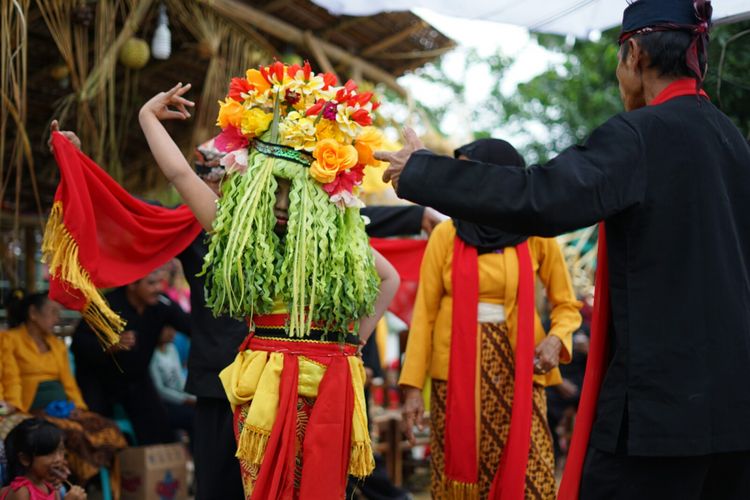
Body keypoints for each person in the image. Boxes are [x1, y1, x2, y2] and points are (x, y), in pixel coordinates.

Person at [377, 1, 750, 498]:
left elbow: (539, 196)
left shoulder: (641, 136)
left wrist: (424, 170)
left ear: (634, 54)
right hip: (735, 410)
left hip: (660, 414)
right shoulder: (732, 139)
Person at [138, 65, 400, 499]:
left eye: (292, 194)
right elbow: (182, 176)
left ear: (314, 197)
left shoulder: (336, 240)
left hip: (329, 382)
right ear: (253, 190)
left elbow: (388, 277)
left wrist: (352, 343)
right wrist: (148, 117)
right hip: (266, 383)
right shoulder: (233, 228)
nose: (281, 204)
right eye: (271, 191)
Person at [397, 139, 581, 499]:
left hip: (521, 371)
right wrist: (411, 390)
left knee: (532, 474)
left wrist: (556, 338)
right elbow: (425, 316)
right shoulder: (446, 235)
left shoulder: (536, 233)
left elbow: (567, 305)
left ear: (499, 178)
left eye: (469, 174)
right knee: (464, 478)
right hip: (455, 373)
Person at [0, 291, 126, 489]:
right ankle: (67, 484)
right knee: (73, 433)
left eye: (58, 312)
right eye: (52, 312)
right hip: (29, 407)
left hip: (63, 408)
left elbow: (68, 382)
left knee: (107, 428)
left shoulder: (57, 345)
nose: (56, 318)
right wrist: (16, 408)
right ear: (33, 313)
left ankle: (96, 486)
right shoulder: (10, 340)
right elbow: (11, 378)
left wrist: (78, 407)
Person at [71, 270, 191, 446]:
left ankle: (151, 471)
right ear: (132, 285)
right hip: (98, 379)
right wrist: (109, 346)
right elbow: (78, 344)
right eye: (151, 284)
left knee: (158, 425)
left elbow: (191, 326)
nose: (158, 288)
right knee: (96, 432)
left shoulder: (162, 303)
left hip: (136, 378)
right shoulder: (106, 305)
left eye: (160, 283)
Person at [0, 419, 86, 500]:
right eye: (49, 453)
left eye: (61, 451)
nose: (58, 459)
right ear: (25, 459)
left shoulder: (50, 484)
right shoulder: (21, 492)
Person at [149, 325, 196, 449]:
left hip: (180, 400)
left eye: (173, 328)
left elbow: (180, 379)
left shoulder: (171, 349)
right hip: (163, 405)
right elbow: (160, 390)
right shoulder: (151, 353)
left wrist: (191, 397)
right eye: (167, 328)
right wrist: (184, 400)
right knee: (193, 418)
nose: (172, 332)